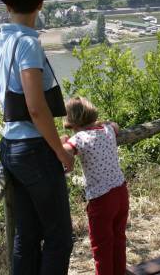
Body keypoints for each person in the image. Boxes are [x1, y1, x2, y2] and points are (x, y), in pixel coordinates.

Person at [0, 0, 75, 275]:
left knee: (27, 233)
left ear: (7, 5)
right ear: (39, 5)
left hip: (10, 146)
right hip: (35, 149)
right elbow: (36, 108)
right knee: (59, 237)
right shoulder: (28, 44)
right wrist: (61, 152)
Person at [61, 97, 129, 275]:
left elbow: (67, 152)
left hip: (101, 199)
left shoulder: (78, 139)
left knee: (102, 248)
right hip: (121, 192)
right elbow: (116, 125)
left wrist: (61, 143)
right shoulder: (107, 129)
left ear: (71, 121)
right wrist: (105, 122)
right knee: (118, 240)